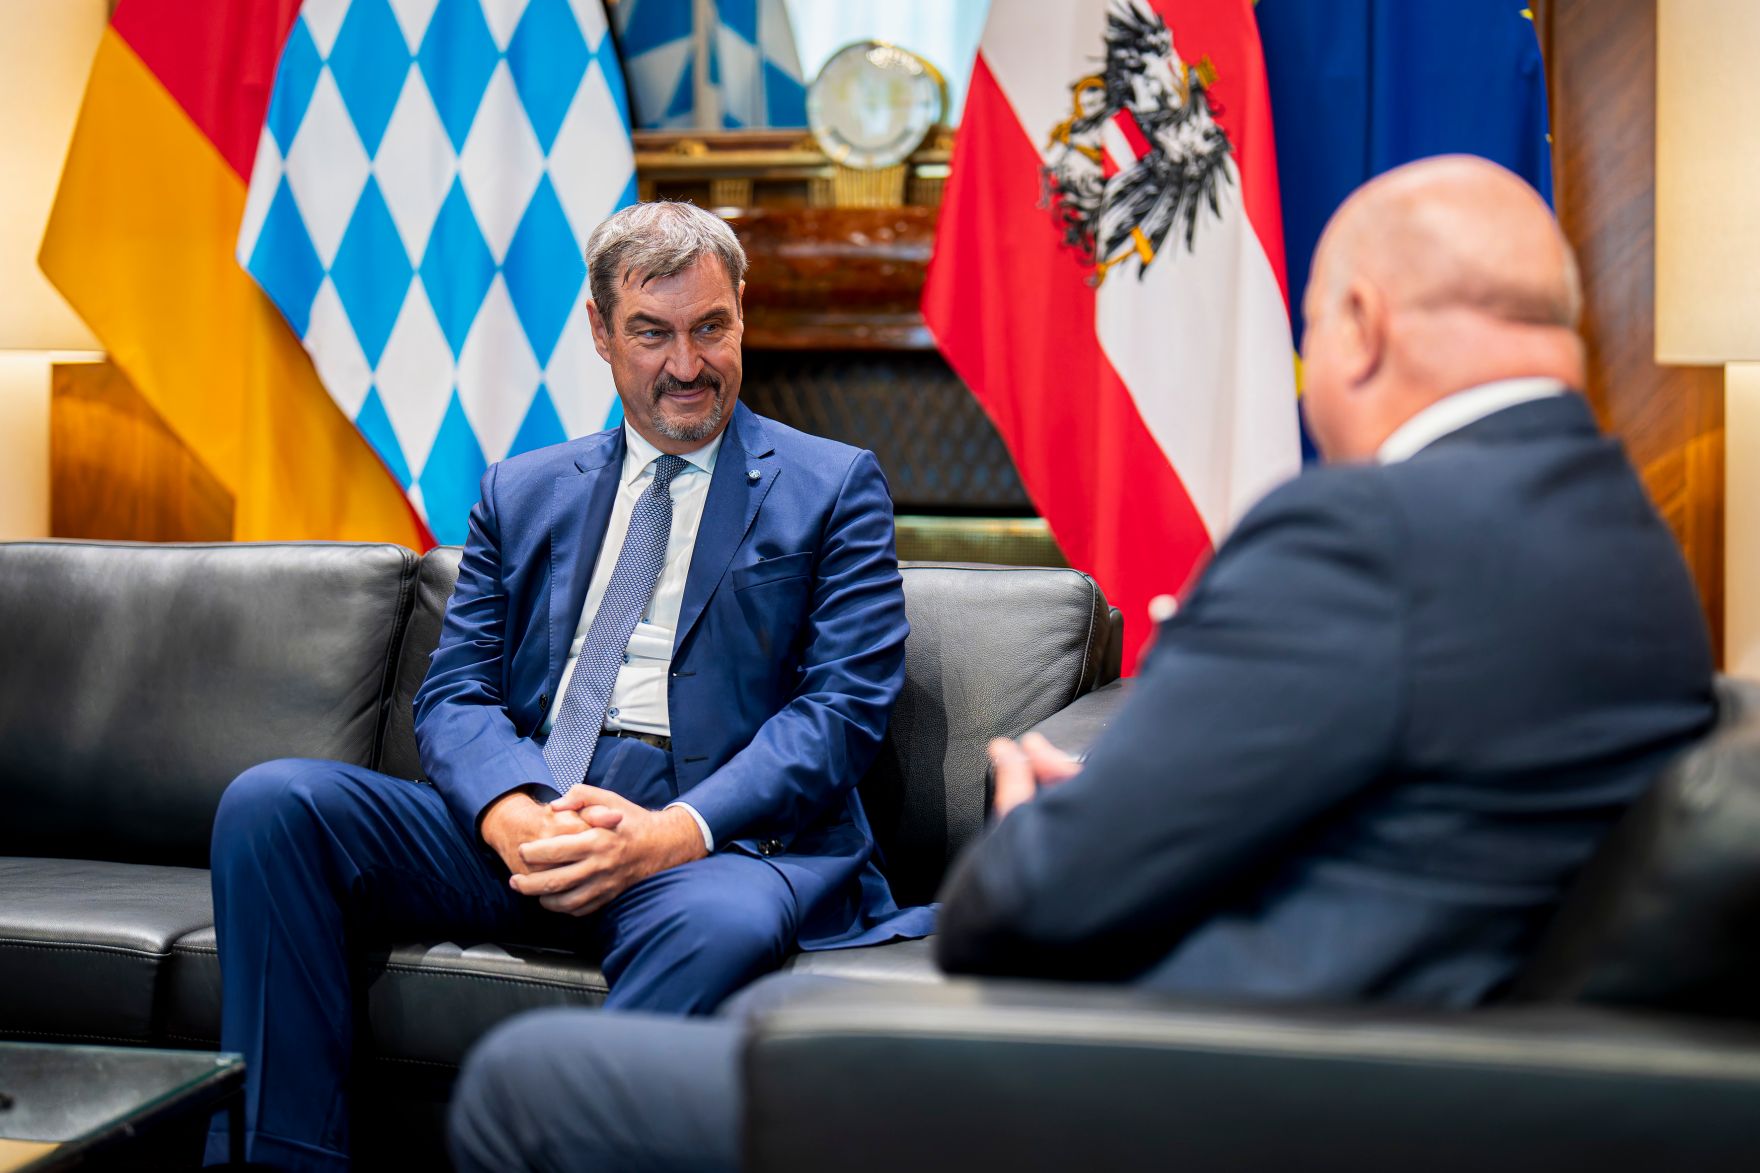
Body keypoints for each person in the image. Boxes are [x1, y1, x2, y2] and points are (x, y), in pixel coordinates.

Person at [444, 155, 1717, 1173]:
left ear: (1362, 329)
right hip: (1453, 1068)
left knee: (529, 1084)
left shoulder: (1357, 532)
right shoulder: (1639, 552)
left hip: (1234, 1080)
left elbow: (1026, 907)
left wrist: (1037, 827)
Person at [204, 201, 934, 1171]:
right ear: (598, 332)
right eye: (651, 334)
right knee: (276, 805)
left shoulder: (831, 485)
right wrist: (514, 808)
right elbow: (456, 695)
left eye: (709, 327)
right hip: (542, 812)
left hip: (710, 845)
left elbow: (838, 714)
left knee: (719, 925)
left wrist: (667, 835)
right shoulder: (524, 489)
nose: (687, 365)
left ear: (741, 314)